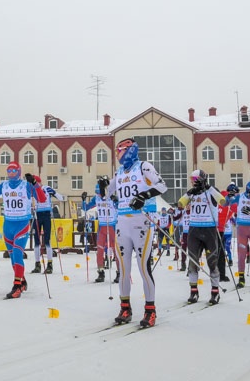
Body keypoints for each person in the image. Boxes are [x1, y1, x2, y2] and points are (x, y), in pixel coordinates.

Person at [108, 138, 167, 327]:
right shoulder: (119, 172)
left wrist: (143, 196)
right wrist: (103, 188)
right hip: (122, 223)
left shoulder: (143, 166)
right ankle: (125, 308)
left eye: (120, 150)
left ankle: (150, 310)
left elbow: (162, 185)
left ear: (129, 150)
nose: (118, 154)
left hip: (142, 222)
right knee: (123, 270)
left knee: (143, 268)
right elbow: (108, 193)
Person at [0, 162, 47, 298]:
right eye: (9, 170)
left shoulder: (26, 185)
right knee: (12, 257)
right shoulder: (3, 185)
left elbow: (42, 199)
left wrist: (34, 184)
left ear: (19, 171)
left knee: (17, 253)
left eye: (14, 170)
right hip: (8, 225)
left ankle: (16, 286)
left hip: (22, 224)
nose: (11, 173)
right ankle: (21, 280)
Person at [177, 170, 225, 305]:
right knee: (193, 262)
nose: (191, 181)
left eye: (194, 179)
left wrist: (208, 187)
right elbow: (180, 204)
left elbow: (223, 201)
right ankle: (193, 292)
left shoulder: (211, 191)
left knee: (212, 262)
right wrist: (189, 193)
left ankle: (215, 292)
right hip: (194, 231)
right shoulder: (192, 193)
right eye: (191, 179)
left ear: (201, 179)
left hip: (209, 230)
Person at [83, 177, 117, 283]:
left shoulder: (111, 197)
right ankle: (101, 272)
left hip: (112, 225)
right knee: (100, 250)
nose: (98, 195)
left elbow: (120, 207)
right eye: (97, 193)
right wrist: (83, 200)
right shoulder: (96, 198)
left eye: (99, 192)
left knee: (116, 250)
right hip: (102, 226)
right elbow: (86, 208)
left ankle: (119, 272)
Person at [31, 177, 64, 274]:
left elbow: (61, 198)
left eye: (37, 182)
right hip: (37, 215)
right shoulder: (32, 191)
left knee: (47, 240)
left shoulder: (46, 188)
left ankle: (50, 264)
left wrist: (54, 194)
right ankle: (37, 264)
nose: (37, 184)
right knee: (36, 241)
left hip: (46, 215)